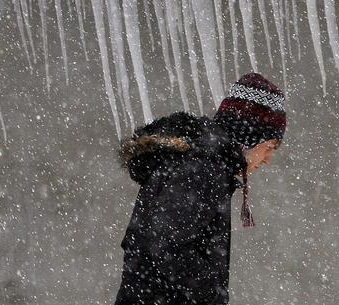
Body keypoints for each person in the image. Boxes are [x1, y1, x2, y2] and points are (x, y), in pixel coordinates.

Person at [114, 73, 287, 305]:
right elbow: (164, 243)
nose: (268, 159)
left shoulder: (204, 164)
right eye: (270, 147)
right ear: (250, 136)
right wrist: (210, 295)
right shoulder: (203, 169)